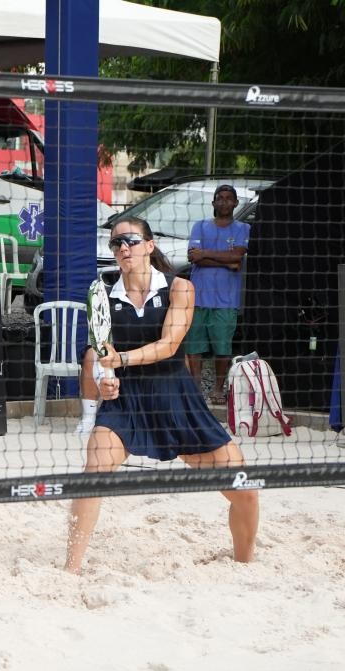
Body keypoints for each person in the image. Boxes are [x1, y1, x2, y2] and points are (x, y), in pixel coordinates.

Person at [65, 217, 259, 575]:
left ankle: (244, 567)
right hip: (128, 400)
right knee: (92, 473)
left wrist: (121, 359)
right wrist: (106, 379)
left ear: (150, 246)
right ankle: (70, 570)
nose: (124, 248)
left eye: (132, 240)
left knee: (244, 490)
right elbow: (98, 355)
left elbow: (170, 346)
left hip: (176, 397)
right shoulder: (104, 296)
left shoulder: (180, 288)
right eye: (116, 243)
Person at [183, 184, 250, 405]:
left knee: (223, 348)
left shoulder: (242, 228)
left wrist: (206, 255)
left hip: (226, 301)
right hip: (198, 298)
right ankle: (195, 391)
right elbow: (194, 258)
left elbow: (237, 258)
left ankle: (218, 390)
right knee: (194, 347)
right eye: (219, 198)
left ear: (235, 203)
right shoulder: (200, 226)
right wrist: (225, 259)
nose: (223, 202)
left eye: (228, 198)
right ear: (213, 203)